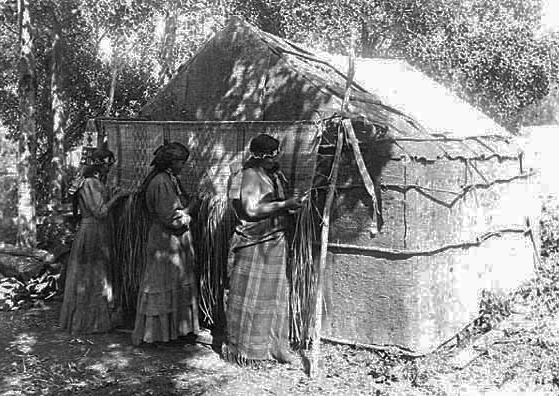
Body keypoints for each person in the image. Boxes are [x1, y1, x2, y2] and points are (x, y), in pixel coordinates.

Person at [223, 133, 305, 365]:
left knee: (275, 294)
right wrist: (285, 204)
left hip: (274, 239)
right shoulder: (250, 175)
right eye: (271, 156)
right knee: (251, 296)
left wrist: (287, 207)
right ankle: (246, 349)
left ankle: (275, 346)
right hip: (255, 241)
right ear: (260, 157)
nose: (275, 159)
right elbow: (250, 210)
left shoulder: (270, 174)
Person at [132, 142, 200, 345]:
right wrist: (190, 210)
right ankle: (158, 334)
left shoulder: (168, 179)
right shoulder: (161, 182)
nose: (183, 166)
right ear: (171, 162)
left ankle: (174, 331)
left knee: (172, 281)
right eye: (181, 162)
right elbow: (170, 218)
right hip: (165, 240)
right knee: (162, 281)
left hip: (171, 241)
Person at [60, 148, 126, 334]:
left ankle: (97, 321)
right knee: (92, 274)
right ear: (100, 165)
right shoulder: (90, 183)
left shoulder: (93, 182)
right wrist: (117, 198)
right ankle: (89, 323)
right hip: (93, 231)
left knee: (97, 273)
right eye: (108, 165)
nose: (110, 169)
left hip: (98, 231)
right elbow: (100, 212)